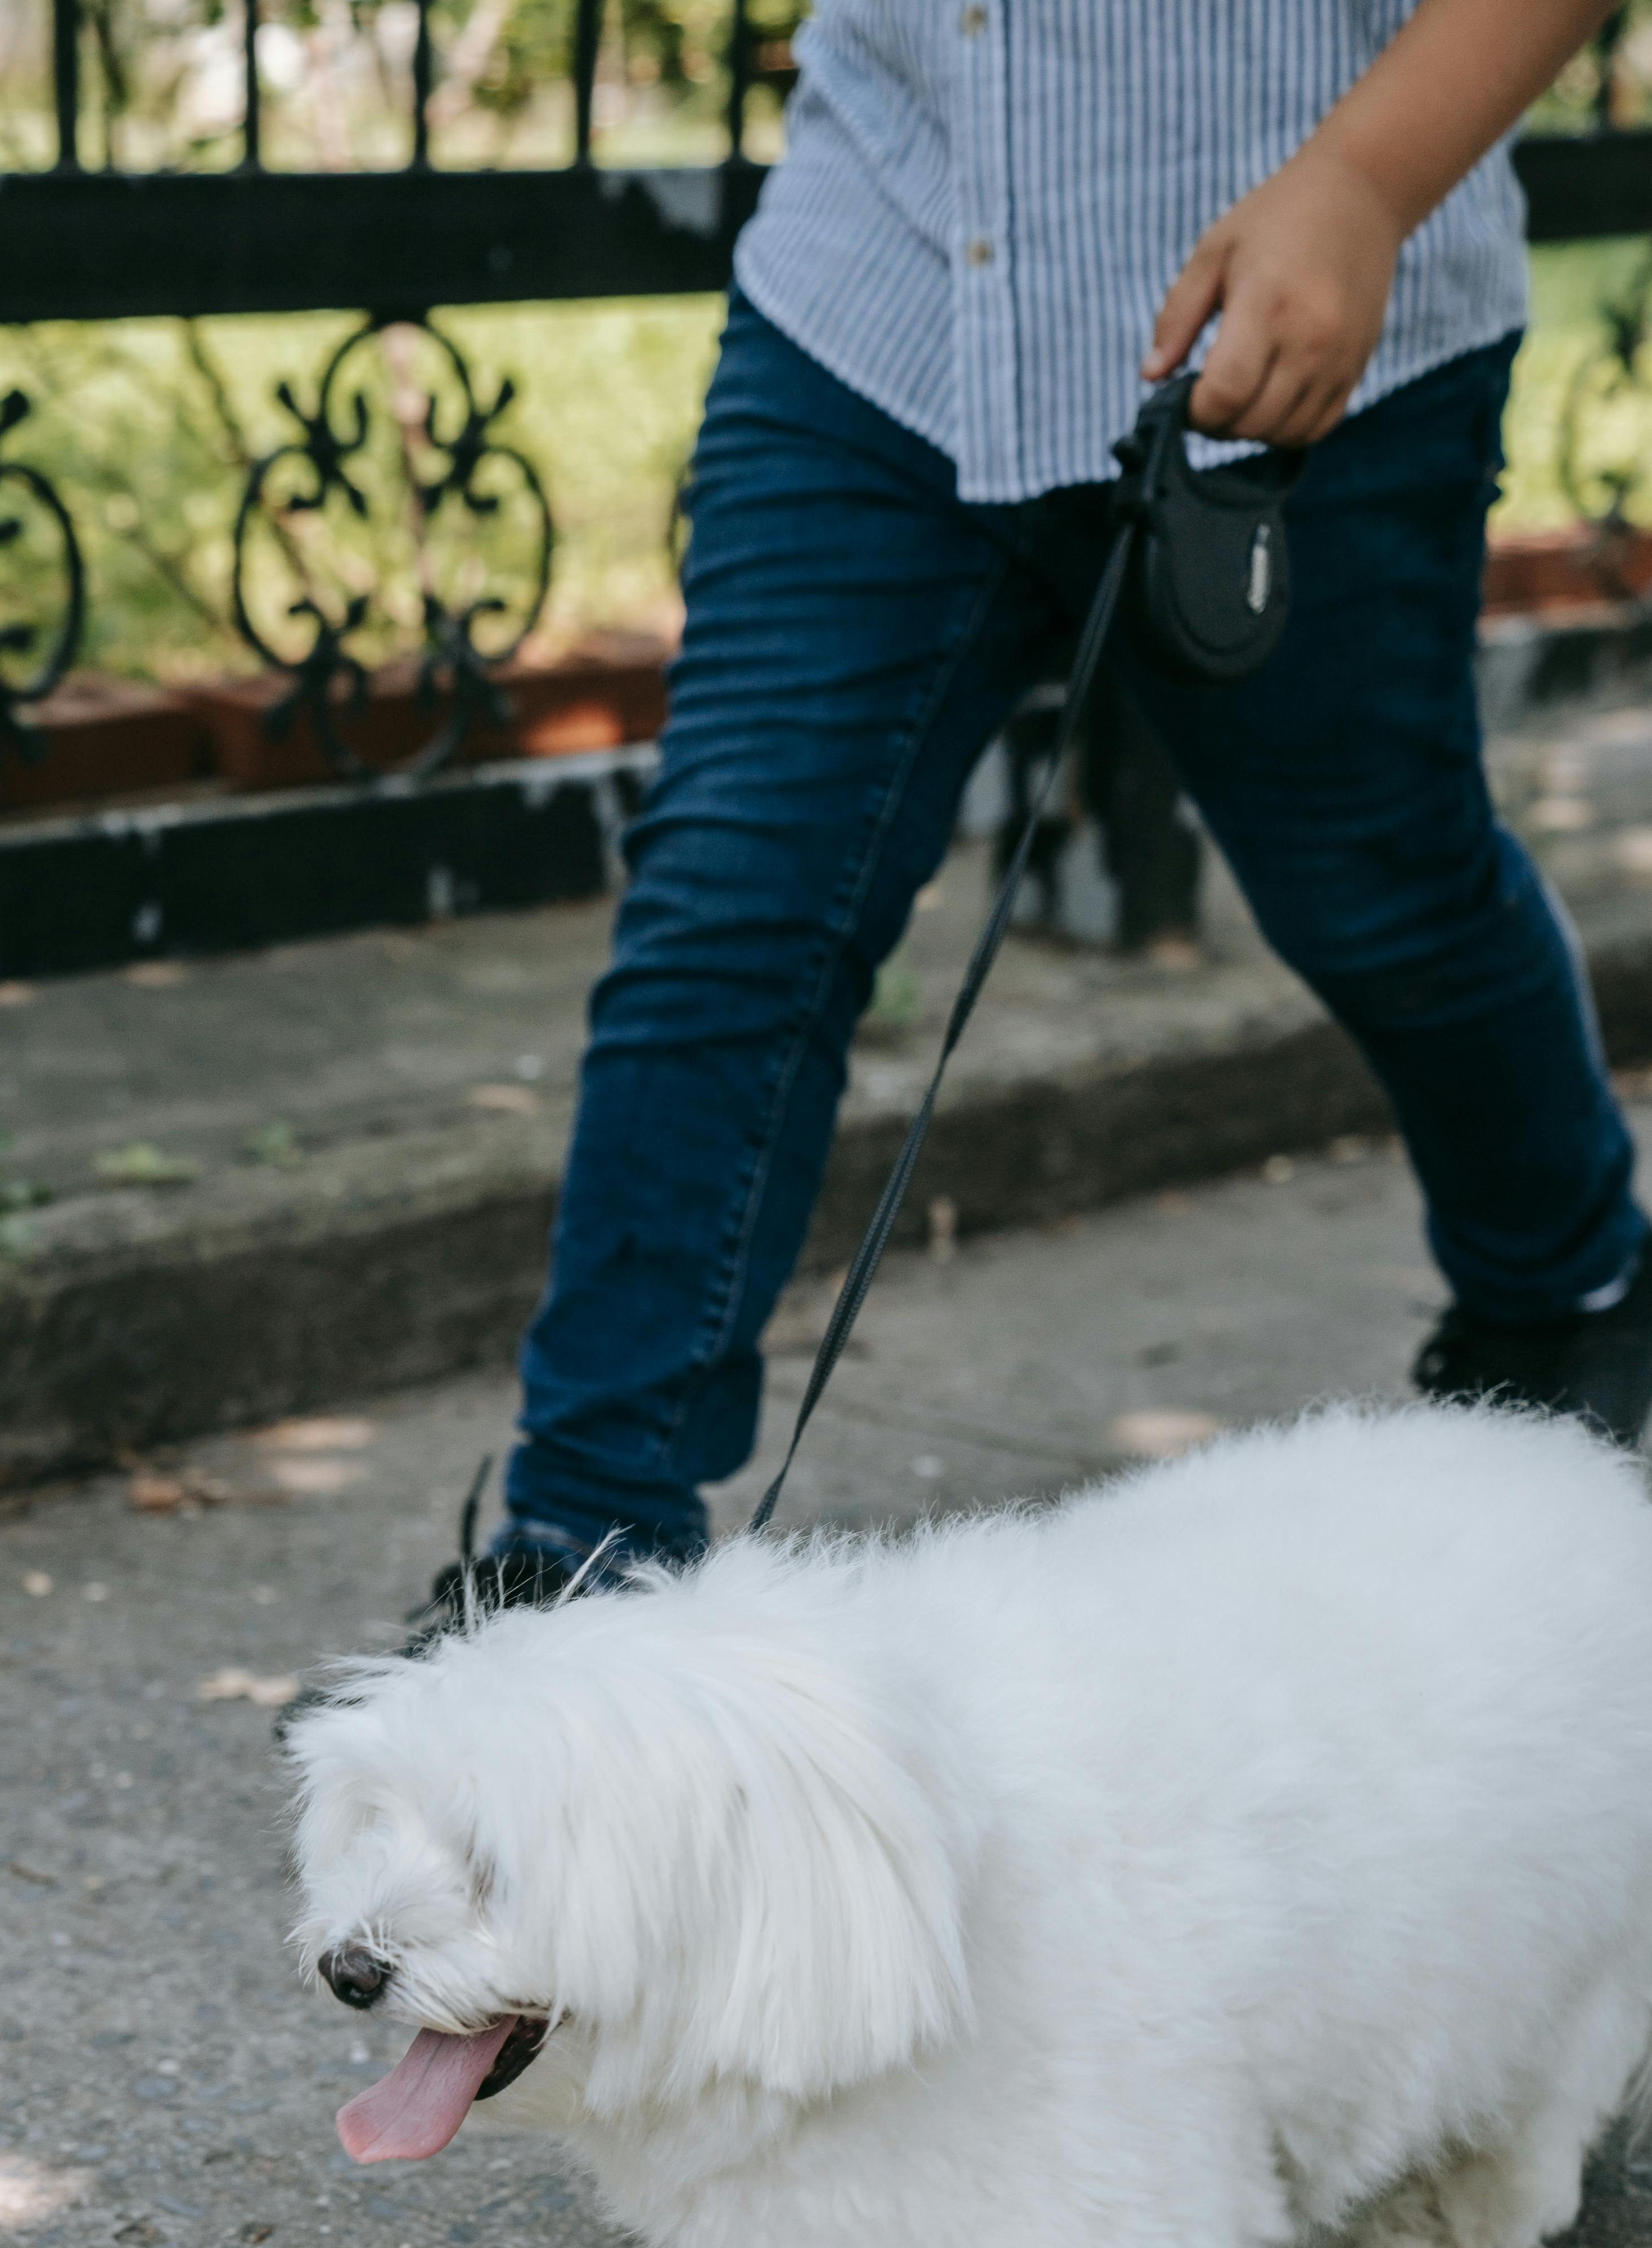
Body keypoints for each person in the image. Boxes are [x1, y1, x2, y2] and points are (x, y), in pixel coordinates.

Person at [436, 0, 1651, 1625]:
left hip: (1302, 303)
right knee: (734, 900)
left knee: (1384, 891)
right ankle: (580, 1557)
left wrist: (1367, 180)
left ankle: (1571, 1288)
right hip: (883, 284)